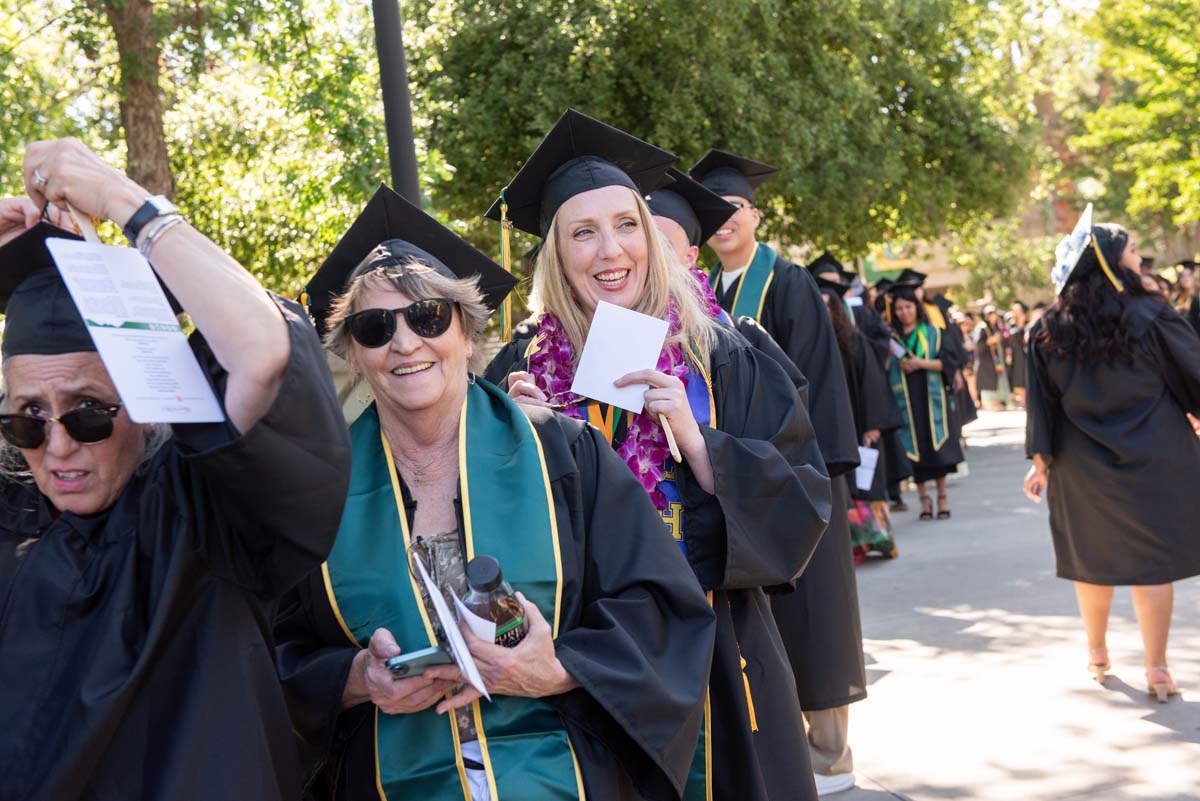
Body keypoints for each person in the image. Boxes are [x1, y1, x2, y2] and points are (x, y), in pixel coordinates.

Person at [276, 184, 717, 800]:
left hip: (557, 775)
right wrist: (354, 680)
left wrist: (558, 670)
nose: (405, 344)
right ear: (353, 352)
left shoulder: (565, 455)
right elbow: (270, 653)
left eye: (428, 317)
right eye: (375, 328)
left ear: (466, 330)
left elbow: (662, 611)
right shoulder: (317, 491)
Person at [484, 111, 833, 801]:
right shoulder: (516, 376)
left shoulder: (723, 356)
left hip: (720, 671)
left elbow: (803, 502)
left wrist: (701, 445)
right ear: (556, 253)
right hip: (583, 682)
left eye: (625, 224)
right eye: (583, 232)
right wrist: (516, 441)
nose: (610, 249)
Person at [0, 140, 352, 801]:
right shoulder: (8, 511)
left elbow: (263, 355)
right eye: (25, 419)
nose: (57, 446)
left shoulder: (206, 513)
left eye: (89, 413)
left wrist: (127, 205)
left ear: (143, 401)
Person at [690, 148, 864, 797]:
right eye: (718, 212)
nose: (726, 221)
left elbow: (820, 380)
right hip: (737, 478)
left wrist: (813, 474)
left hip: (792, 473)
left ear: (756, 215)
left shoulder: (787, 282)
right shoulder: (707, 290)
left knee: (814, 612)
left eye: (736, 209)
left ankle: (831, 752)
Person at [1024, 215, 1200, 703]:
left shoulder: (1046, 329)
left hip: (1081, 461)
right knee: (1152, 563)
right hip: (1155, 451)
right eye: (1131, 251)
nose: (1138, 258)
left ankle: (1098, 653)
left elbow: (1041, 403)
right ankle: (1158, 669)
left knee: (1091, 559)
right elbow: (1193, 369)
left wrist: (1041, 460)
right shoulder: (1148, 314)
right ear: (1107, 261)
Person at [817, 275, 902, 562]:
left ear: (838, 310)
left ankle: (879, 539)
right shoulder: (811, 347)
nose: (825, 311)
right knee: (845, 489)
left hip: (859, 425)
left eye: (830, 306)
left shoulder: (855, 342)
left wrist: (874, 426)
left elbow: (873, 384)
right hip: (831, 428)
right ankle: (855, 545)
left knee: (866, 484)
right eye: (820, 306)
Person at [884, 286, 964, 520]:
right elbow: (884, 369)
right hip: (906, 401)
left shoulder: (934, 333)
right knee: (915, 452)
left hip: (930, 398)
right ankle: (924, 502)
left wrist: (919, 363)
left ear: (916, 308)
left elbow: (947, 364)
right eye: (898, 308)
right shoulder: (892, 340)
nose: (903, 312)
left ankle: (942, 497)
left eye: (907, 307)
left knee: (935, 450)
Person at [974, 305, 1010, 410]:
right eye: (990, 314)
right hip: (987, 362)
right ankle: (991, 404)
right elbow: (978, 344)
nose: (993, 316)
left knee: (1000, 380)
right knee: (989, 382)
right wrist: (991, 341)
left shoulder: (997, 327)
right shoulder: (982, 327)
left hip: (998, 360)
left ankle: (1001, 401)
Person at [1008, 301, 1030, 408]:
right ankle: (1024, 400)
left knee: (1028, 375)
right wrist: (1020, 325)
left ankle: (1028, 399)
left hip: (1027, 352)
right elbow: (1011, 337)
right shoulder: (1011, 323)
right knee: (1019, 377)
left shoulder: (1028, 322)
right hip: (1017, 354)